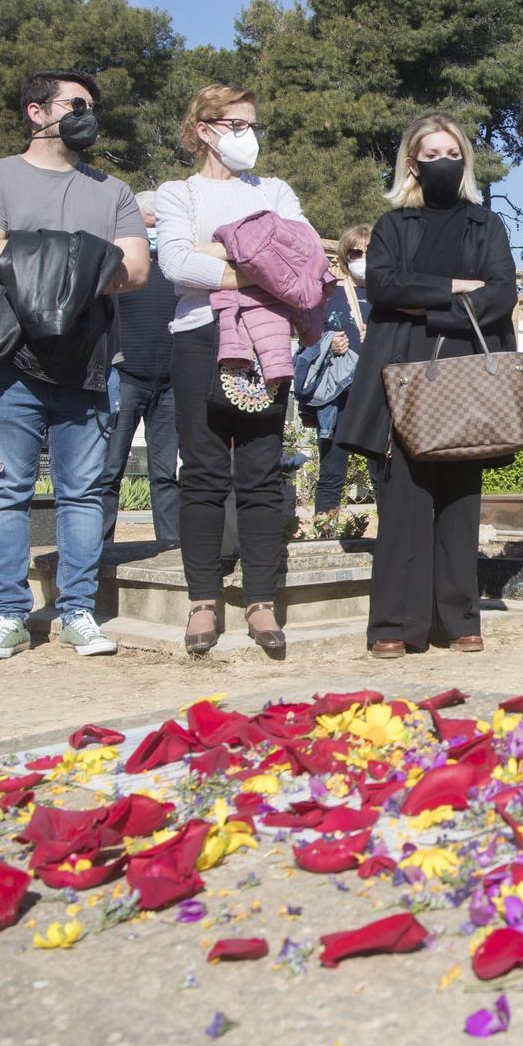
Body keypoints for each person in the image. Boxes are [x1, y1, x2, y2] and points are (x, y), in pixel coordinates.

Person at [0, 70, 149, 661]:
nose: (88, 114)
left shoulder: (112, 191)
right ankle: (8, 615)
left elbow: (136, 270)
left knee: (85, 492)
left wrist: (35, 252)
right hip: (7, 359)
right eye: (76, 104)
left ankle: (78, 612)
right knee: (6, 488)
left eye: (92, 106)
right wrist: (87, 258)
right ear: (36, 113)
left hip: (90, 361)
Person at [334, 113, 517, 657]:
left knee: (460, 497)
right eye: (431, 154)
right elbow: (385, 286)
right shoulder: (392, 226)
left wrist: (431, 305)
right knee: (405, 500)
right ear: (412, 163)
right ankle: (394, 625)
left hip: (465, 369)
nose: (443, 162)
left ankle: (457, 618)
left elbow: (502, 292)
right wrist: (460, 287)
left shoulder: (487, 225)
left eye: (452, 152)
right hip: (400, 371)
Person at [153, 84, 306, 657]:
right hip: (198, 338)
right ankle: (202, 601)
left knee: (262, 471)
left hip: (267, 341)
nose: (249, 136)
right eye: (236, 124)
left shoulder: (276, 190)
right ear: (204, 129)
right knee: (203, 470)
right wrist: (257, 262)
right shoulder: (177, 192)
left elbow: (303, 256)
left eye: (253, 125)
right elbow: (173, 264)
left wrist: (214, 251)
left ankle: (262, 599)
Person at [100, 191, 180, 544]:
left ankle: (171, 546)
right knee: (109, 470)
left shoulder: (178, 262)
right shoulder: (118, 259)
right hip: (125, 375)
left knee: (167, 474)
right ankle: (98, 549)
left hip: (171, 382)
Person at [305, 223, 373, 517]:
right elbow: (307, 337)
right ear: (345, 255)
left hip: (377, 392)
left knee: (383, 471)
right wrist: (329, 343)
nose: (363, 258)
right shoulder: (330, 293)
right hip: (338, 394)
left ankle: (391, 545)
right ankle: (325, 533)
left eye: (370, 251)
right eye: (356, 252)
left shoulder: (391, 297)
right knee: (332, 469)